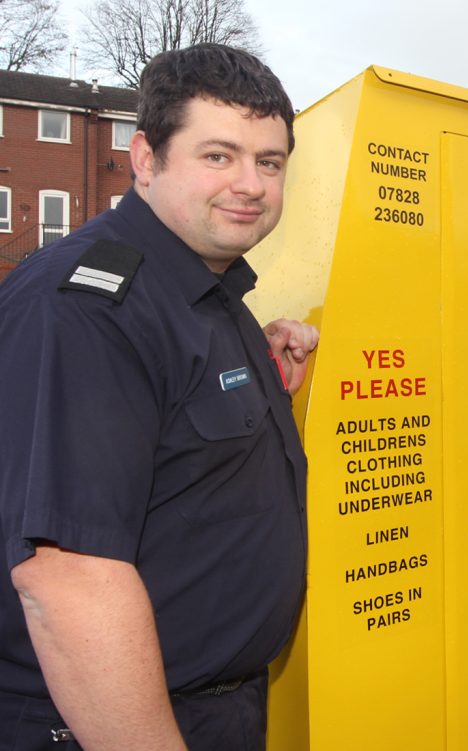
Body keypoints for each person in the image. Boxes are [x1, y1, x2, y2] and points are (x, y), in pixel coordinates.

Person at [0, 44, 318, 750]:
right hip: (112, 722)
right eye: (218, 156)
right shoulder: (88, 309)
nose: (250, 184)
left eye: (269, 162)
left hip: (215, 709)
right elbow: (68, 582)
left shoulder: (204, 291)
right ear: (146, 158)